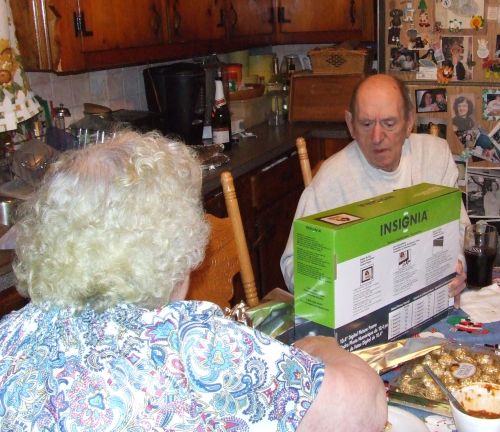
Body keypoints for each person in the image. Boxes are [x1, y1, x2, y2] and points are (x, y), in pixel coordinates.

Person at [0, 131, 387, 431]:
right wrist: (321, 346)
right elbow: (364, 408)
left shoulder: (10, 336)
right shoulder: (191, 345)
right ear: (175, 247)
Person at [280, 74, 469, 297]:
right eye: (366, 124)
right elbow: (295, 265)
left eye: (389, 123)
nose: (377, 137)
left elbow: (460, 230)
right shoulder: (331, 180)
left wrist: (456, 265)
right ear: (351, 124)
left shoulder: (435, 156)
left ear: (409, 122)